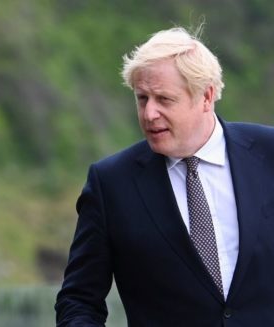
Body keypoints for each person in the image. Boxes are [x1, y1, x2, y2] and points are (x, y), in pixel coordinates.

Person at [55, 26, 274, 326]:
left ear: (207, 96)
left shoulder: (268, 153)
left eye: (164, 99)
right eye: (142, 98)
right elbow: (78, 301)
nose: (149, 114)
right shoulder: (110, 184)